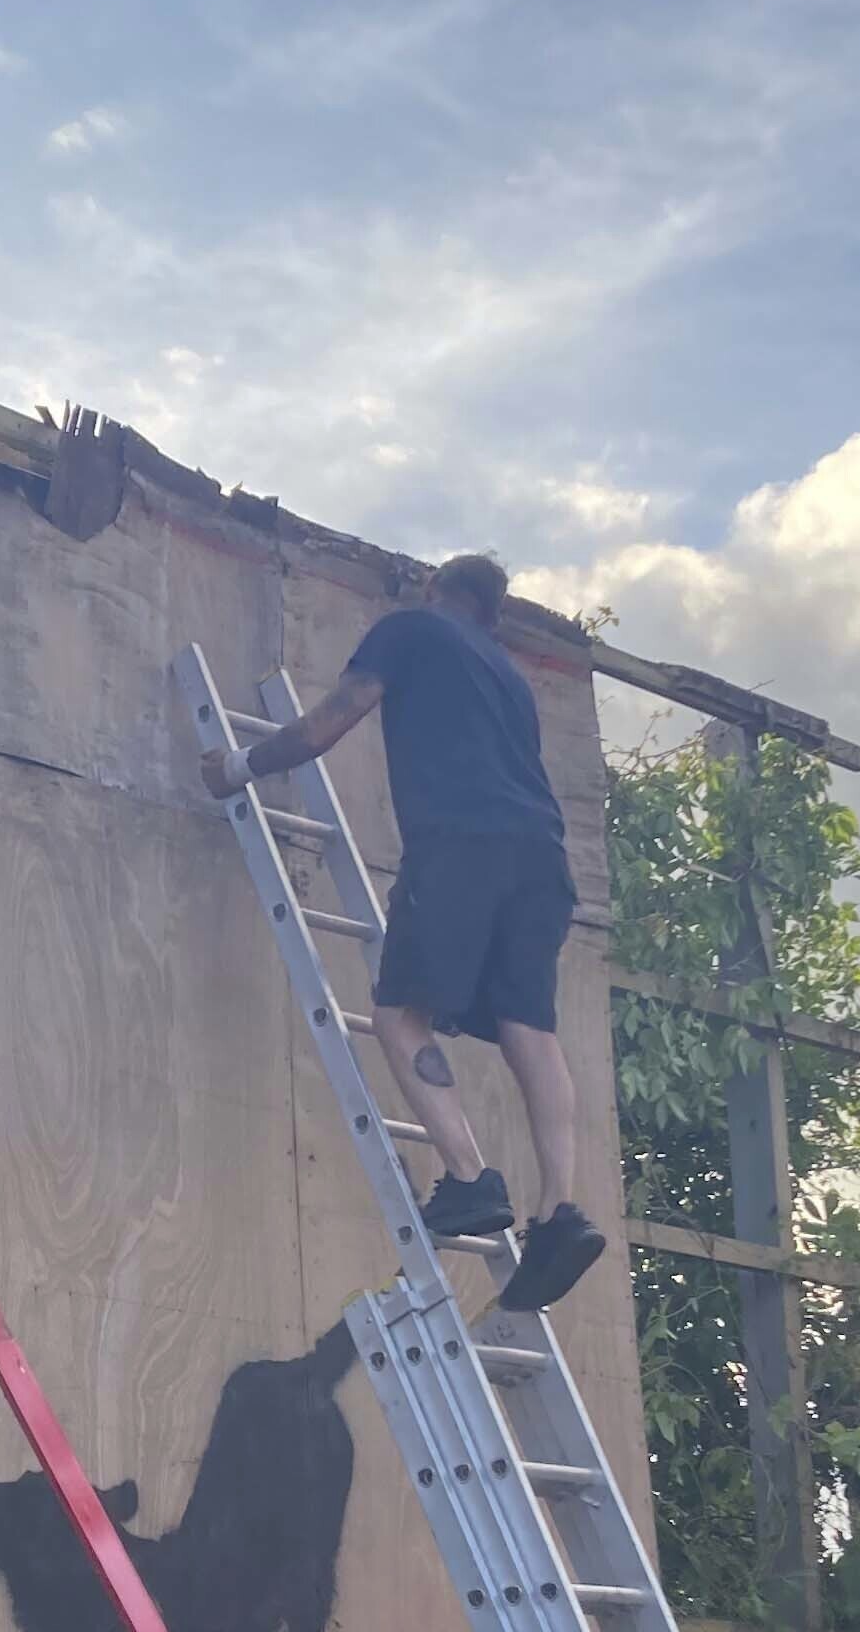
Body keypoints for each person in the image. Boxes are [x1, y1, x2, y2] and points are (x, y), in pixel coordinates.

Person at [195, 553, 605, 1314]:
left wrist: (240, 764)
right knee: (529, 1028)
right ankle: (559, 1211)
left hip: (460, 848)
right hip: (542, 862)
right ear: (492, 613)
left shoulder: (410, 628)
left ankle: (468, 1174)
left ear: (434, 589)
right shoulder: (509, 678)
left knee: (397, 1014)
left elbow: (334, 719)